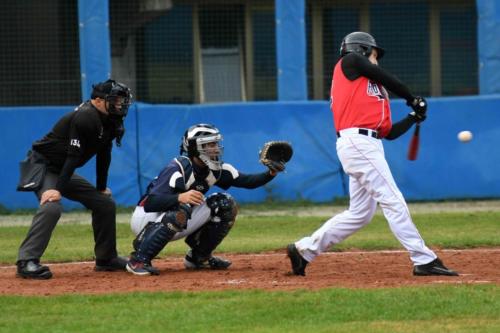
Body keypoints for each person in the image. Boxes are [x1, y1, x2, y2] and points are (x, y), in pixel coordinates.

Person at [287, 31, 458, 277]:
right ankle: (424, 259)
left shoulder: (372, 90)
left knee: (360, 214)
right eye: (374, 54)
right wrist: (412, 98)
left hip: (367, 145)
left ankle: (304, 250)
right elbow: (386, 77)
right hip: (357, 143)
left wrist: (412, 117)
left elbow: (388, 133)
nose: (376, 61)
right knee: (393, 200)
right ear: (362, 50)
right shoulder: (350, 62)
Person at [126, 123, 282, 275]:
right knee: (182, 208)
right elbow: (151, 203)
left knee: (225, 203)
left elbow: (248, 181)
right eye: (209, 144)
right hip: (146, 219)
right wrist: (179, 197)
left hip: (177, 217)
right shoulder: (178, 167)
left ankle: (199, 257)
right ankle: (138, 260)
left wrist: (271, 173)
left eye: (215, 143)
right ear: (194, 147)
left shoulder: (215, 169)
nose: (215, 148)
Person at [16, 79, 132, 279]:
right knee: (52, 206)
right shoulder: (85, 117)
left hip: (62, 170)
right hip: (42, 166)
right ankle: (26, 261)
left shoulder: (112, 120)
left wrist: (101, 187)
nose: (120, 104)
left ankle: (106, 259)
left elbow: (104, 154)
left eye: (122, 100)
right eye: (115, 100)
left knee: (105, 204)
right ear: (97, 100)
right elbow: (73, 156)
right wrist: (57, 190)